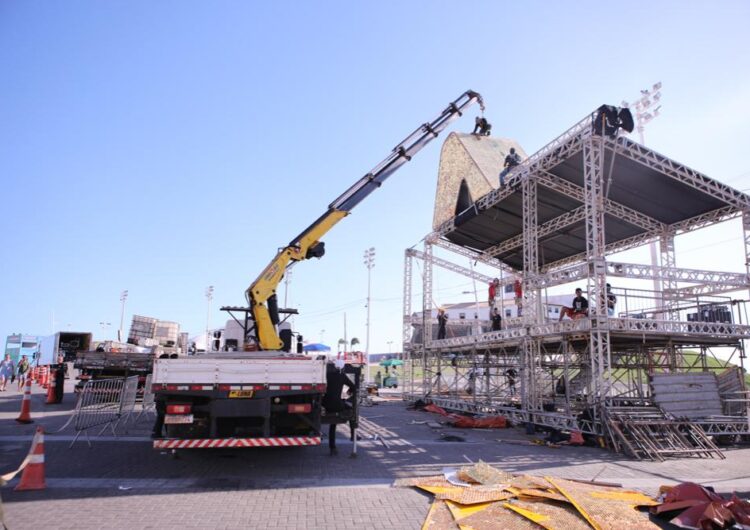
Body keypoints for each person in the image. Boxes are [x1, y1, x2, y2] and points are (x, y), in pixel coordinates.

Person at [323, 360, 354, 456]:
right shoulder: (342, 376)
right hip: (337, 405)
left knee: (332, 425)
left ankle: (332, 448)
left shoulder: (327, 375)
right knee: (351, 411)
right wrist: (349, 392)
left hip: (326, 404)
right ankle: (353, 434)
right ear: (342, 367)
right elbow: (353, 386)